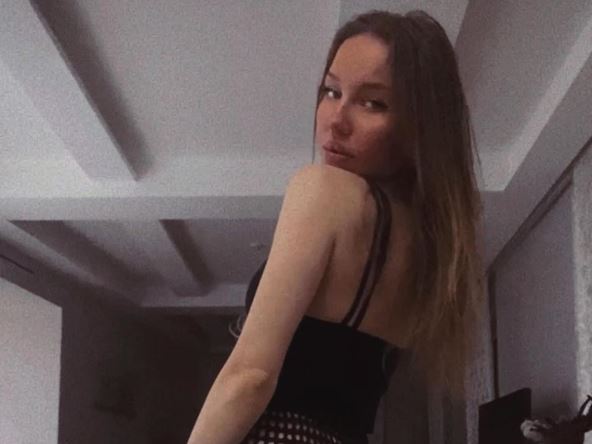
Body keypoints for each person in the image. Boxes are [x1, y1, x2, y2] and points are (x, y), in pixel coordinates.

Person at [186, 8, 486, 444]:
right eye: (331, 91)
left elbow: (249, 377)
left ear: (419, 126)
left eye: (373, 103)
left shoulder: (324, 192)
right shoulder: (433, 253)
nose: (336, 119)